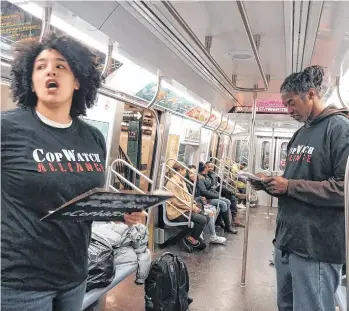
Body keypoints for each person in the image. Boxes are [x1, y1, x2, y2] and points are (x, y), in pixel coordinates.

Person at [1, 33, 145, 311]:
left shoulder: (92, 138)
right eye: (40, 66)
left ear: (78, 80)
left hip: (75, 273)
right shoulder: (7, 129)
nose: (50, 71)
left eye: (61, 65)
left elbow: (86, 198)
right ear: (30, 80)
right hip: (19, 282)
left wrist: (119, 212)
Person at [252, 65, 349, 311]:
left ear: (312, 94)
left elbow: (343, 189)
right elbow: (293, 183)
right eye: (285, 105)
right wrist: (269, 184)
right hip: (288, 240)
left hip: (316, 245)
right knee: (286, 305)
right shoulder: (298, 135)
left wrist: (290, 186)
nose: (288, 110)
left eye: (292, 103)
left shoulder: (339, 129)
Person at [165, 162, 207, 250]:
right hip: (176, 212)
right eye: (185, 170)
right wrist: (192, 207)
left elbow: (187, 196)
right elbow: (177, 202)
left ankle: (192, 237)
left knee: (206, 217)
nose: (186, 173)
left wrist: (193, 204)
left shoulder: (181, 181)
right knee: (202, 219)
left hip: (183, 209)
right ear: (180, 170)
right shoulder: (172, 183)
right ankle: (192, 240)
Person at [187, 167, 226, 244]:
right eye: (190, 173)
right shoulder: (188, 184)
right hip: (193, 206)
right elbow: (190, 199)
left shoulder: (197, 182)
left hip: (199, 204)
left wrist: (201, 199)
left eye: (194, 173)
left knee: (213, 210)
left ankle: (209, 234)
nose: (192, 175)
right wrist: (200, 198)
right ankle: (212, 236)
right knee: (210, 213)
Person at [197, 162, 238, 234]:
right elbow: (204, 192)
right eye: (207, 167)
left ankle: (223, 222)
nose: (209, 168)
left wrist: (217, 194)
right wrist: (217, 196)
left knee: (228, 201)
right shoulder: (200, 178)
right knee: (224, 204)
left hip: (211, 196)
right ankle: (227, 227)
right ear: (205, 168)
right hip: (207, 199)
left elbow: (211, 188)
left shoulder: (206, 176)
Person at [205, 161, 244, 227]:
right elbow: (208, 188)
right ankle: (236, 194)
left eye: (212, 167)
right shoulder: (205, 176)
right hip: (211, 192)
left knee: (232, 198)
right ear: (205, 167)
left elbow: (222, 182)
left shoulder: (214, 174)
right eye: (208, 167)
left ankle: (234, 220)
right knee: (222, 187)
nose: (211, 168)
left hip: (216, 191)